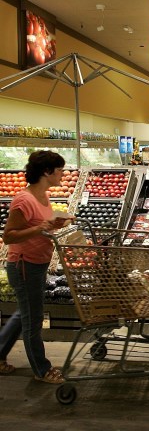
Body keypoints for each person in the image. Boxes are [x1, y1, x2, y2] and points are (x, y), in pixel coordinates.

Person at [0, 150, 72, 383]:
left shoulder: (43, 196)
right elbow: (9, 236)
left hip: (38, 264)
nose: (63, 174)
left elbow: (40, 227)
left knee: (25, 313)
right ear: (46, 172)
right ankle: (42, 369)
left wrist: (54, 224)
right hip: (24, 265)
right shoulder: (24, 200)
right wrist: (41, 227)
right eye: (60, 170)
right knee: (33, 319)